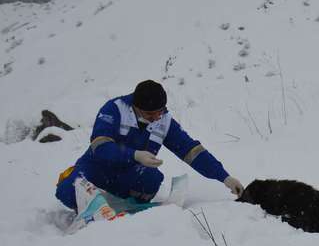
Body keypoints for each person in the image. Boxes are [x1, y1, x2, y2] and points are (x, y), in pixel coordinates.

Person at [56, 80, 244, 211]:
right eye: (149, 114)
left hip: (129, 175)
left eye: (159, 112)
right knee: (67, 191)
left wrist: (225, 177)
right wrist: (135, 155)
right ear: (136, 107)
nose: (156, 118)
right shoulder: (114, 109)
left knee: (152, 178)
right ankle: (90, 201)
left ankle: (124, 206)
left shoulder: (165, 121)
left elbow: (192, 151)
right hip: (97, 169)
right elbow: (101, 146)